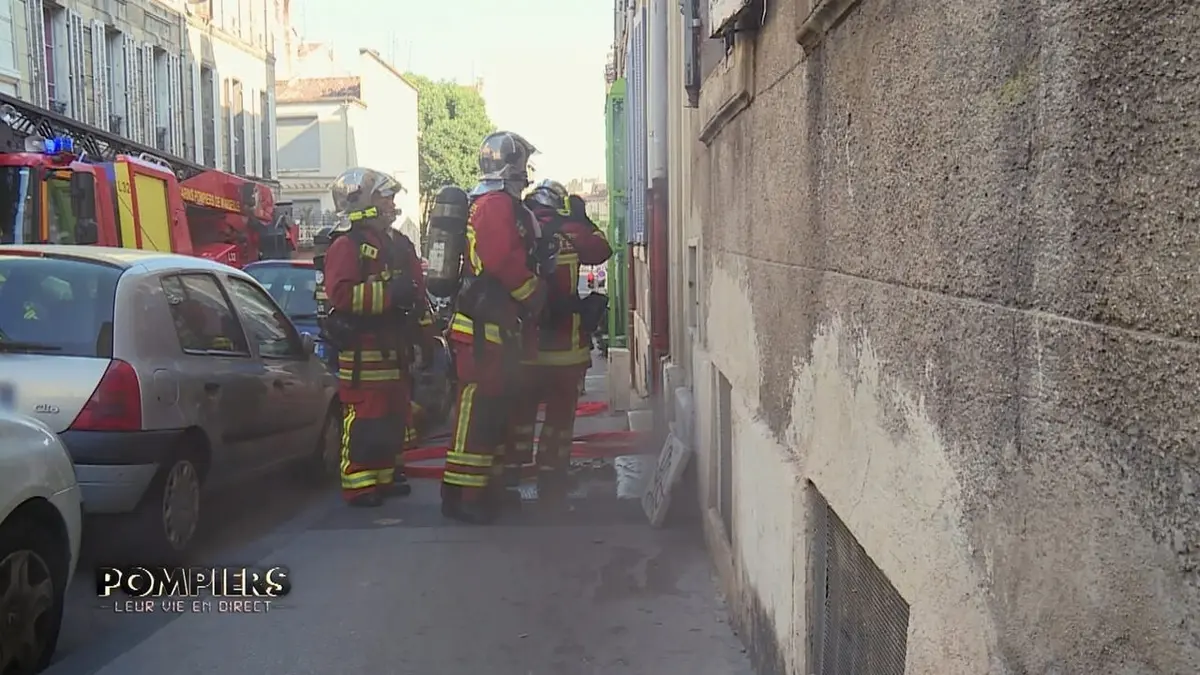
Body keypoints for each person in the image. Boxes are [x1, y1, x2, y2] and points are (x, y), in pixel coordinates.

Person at [441, 131, 547, 524]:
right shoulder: (496, 205)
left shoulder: (494, 204)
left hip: (495, 329)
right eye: (522, 164)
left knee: (494, 414)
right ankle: (464, 497)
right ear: (510, 165)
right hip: (483, 331)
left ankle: (486, 490)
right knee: (478, 414)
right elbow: (502, 259)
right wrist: (534, 293)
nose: (526, 173)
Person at [322, 167, 433, 508]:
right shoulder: (346, 245)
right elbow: (341, 295)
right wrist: (388, 294)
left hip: (395, 349)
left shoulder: (397, 244)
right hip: (364, 353)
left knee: (392, 417)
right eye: (386, 197)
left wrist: (425, 335)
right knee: (365, 419)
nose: (392, 203)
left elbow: (417, 292)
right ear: (364, 202)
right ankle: (358, 484)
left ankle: (384, 477)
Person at [508, 180, 612, 508]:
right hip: (565, 347)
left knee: (520, 413)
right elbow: (602, 249)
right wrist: (584, 220)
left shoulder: (518, 230)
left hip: (525, 346)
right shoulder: (571, 230)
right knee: (559, 416)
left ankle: (511, 472)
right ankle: (551, 475)